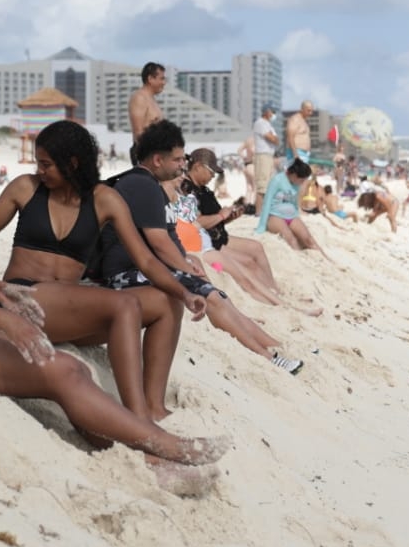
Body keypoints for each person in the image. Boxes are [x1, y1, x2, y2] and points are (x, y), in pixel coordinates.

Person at [0, 109, 225, 488]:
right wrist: (6, 319)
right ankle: (165, 448)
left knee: (74, 369)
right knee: (65, 370)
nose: (39, 169)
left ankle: (142, 455)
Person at [0, 119, 207, 422]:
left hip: (67, 311)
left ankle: (153, 405)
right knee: (123, 304)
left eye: (46, 164)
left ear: (72, 163)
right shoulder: (25, 188)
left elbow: (147, 261)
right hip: (26, 299)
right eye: (38, 163)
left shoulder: (104, 200)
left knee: (166, 302)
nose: (39, 171)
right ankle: (138, 421)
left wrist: (184, 292)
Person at [97, 120, 305, 375]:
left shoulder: (152, 188)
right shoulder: (142, 185)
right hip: (123, 275)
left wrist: (185, 259)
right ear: (157, 160)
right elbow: (159, 244)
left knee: (213, 291)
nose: (181, 165)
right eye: (176, 160)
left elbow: (167, 239)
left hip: (143, 267)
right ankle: (268, 356)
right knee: (208, 293)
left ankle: (271, 344)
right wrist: (185, 266)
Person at [182, 148, 322, 316]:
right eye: (212, 172)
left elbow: (212, 219)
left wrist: (229, 217)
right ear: (197, 166)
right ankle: (281, 305)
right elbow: (195, 223)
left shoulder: (203, 189)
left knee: (256, 248)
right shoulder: (186, 189)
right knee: (246, 266)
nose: (214, 176)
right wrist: (221, 215)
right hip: (207, 244)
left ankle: (274, 291)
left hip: (217, 236)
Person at [256, 158, 336, 263]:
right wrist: (261, 226)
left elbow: (294, 202)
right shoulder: (277, 180)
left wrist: (297, 215)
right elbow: (267, 202)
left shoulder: (297, 183)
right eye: (302, 180)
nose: (303, 182)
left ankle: (327, 260)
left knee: (309, 240)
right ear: (294, 175)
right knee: (291, 239)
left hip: (292, 216)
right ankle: (302, 263)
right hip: (275, 216)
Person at [127, 62, 166, 164]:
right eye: (161, 78)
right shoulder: (139, 98)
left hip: (155, 154)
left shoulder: (151, 100)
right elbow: (138, 132)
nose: (164, 82)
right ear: (150, 79)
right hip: (146, 156)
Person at [251, 104, 280, 213]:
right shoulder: (260, 123)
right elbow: (272, 138)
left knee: (269, 184)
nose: (274, 114)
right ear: (267, 112)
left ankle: (266, 210)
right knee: (262, 185)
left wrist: (275, 139)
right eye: (272, 111)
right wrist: (275, 139)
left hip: (269, 156)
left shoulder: (268, 125)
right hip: (262, 155)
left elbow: (276, 140)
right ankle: (258, 211)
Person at [285, 100, 314, 167]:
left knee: (304, 176)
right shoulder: (295, 119)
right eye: (308, 110)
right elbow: (290, 136)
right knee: (297, 176)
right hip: (297, 152)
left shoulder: (304, 121)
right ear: (302, 109)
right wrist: (295, 154)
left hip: (305, 154)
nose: (310, 113)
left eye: (312, 111)